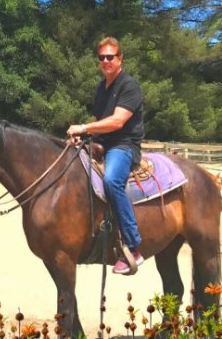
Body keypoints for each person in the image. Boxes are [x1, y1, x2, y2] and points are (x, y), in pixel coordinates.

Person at [66, 37, 145, 275]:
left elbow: (118, 121)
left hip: (124, 146)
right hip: (103, 144)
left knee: (111, 181)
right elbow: (98, 121)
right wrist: (85, 137)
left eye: (110, 56)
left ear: (120, 59)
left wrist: (83, 128)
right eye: (102, 57)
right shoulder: (101, 88)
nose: (106, 61)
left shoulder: (129, 85)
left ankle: (133, 247)